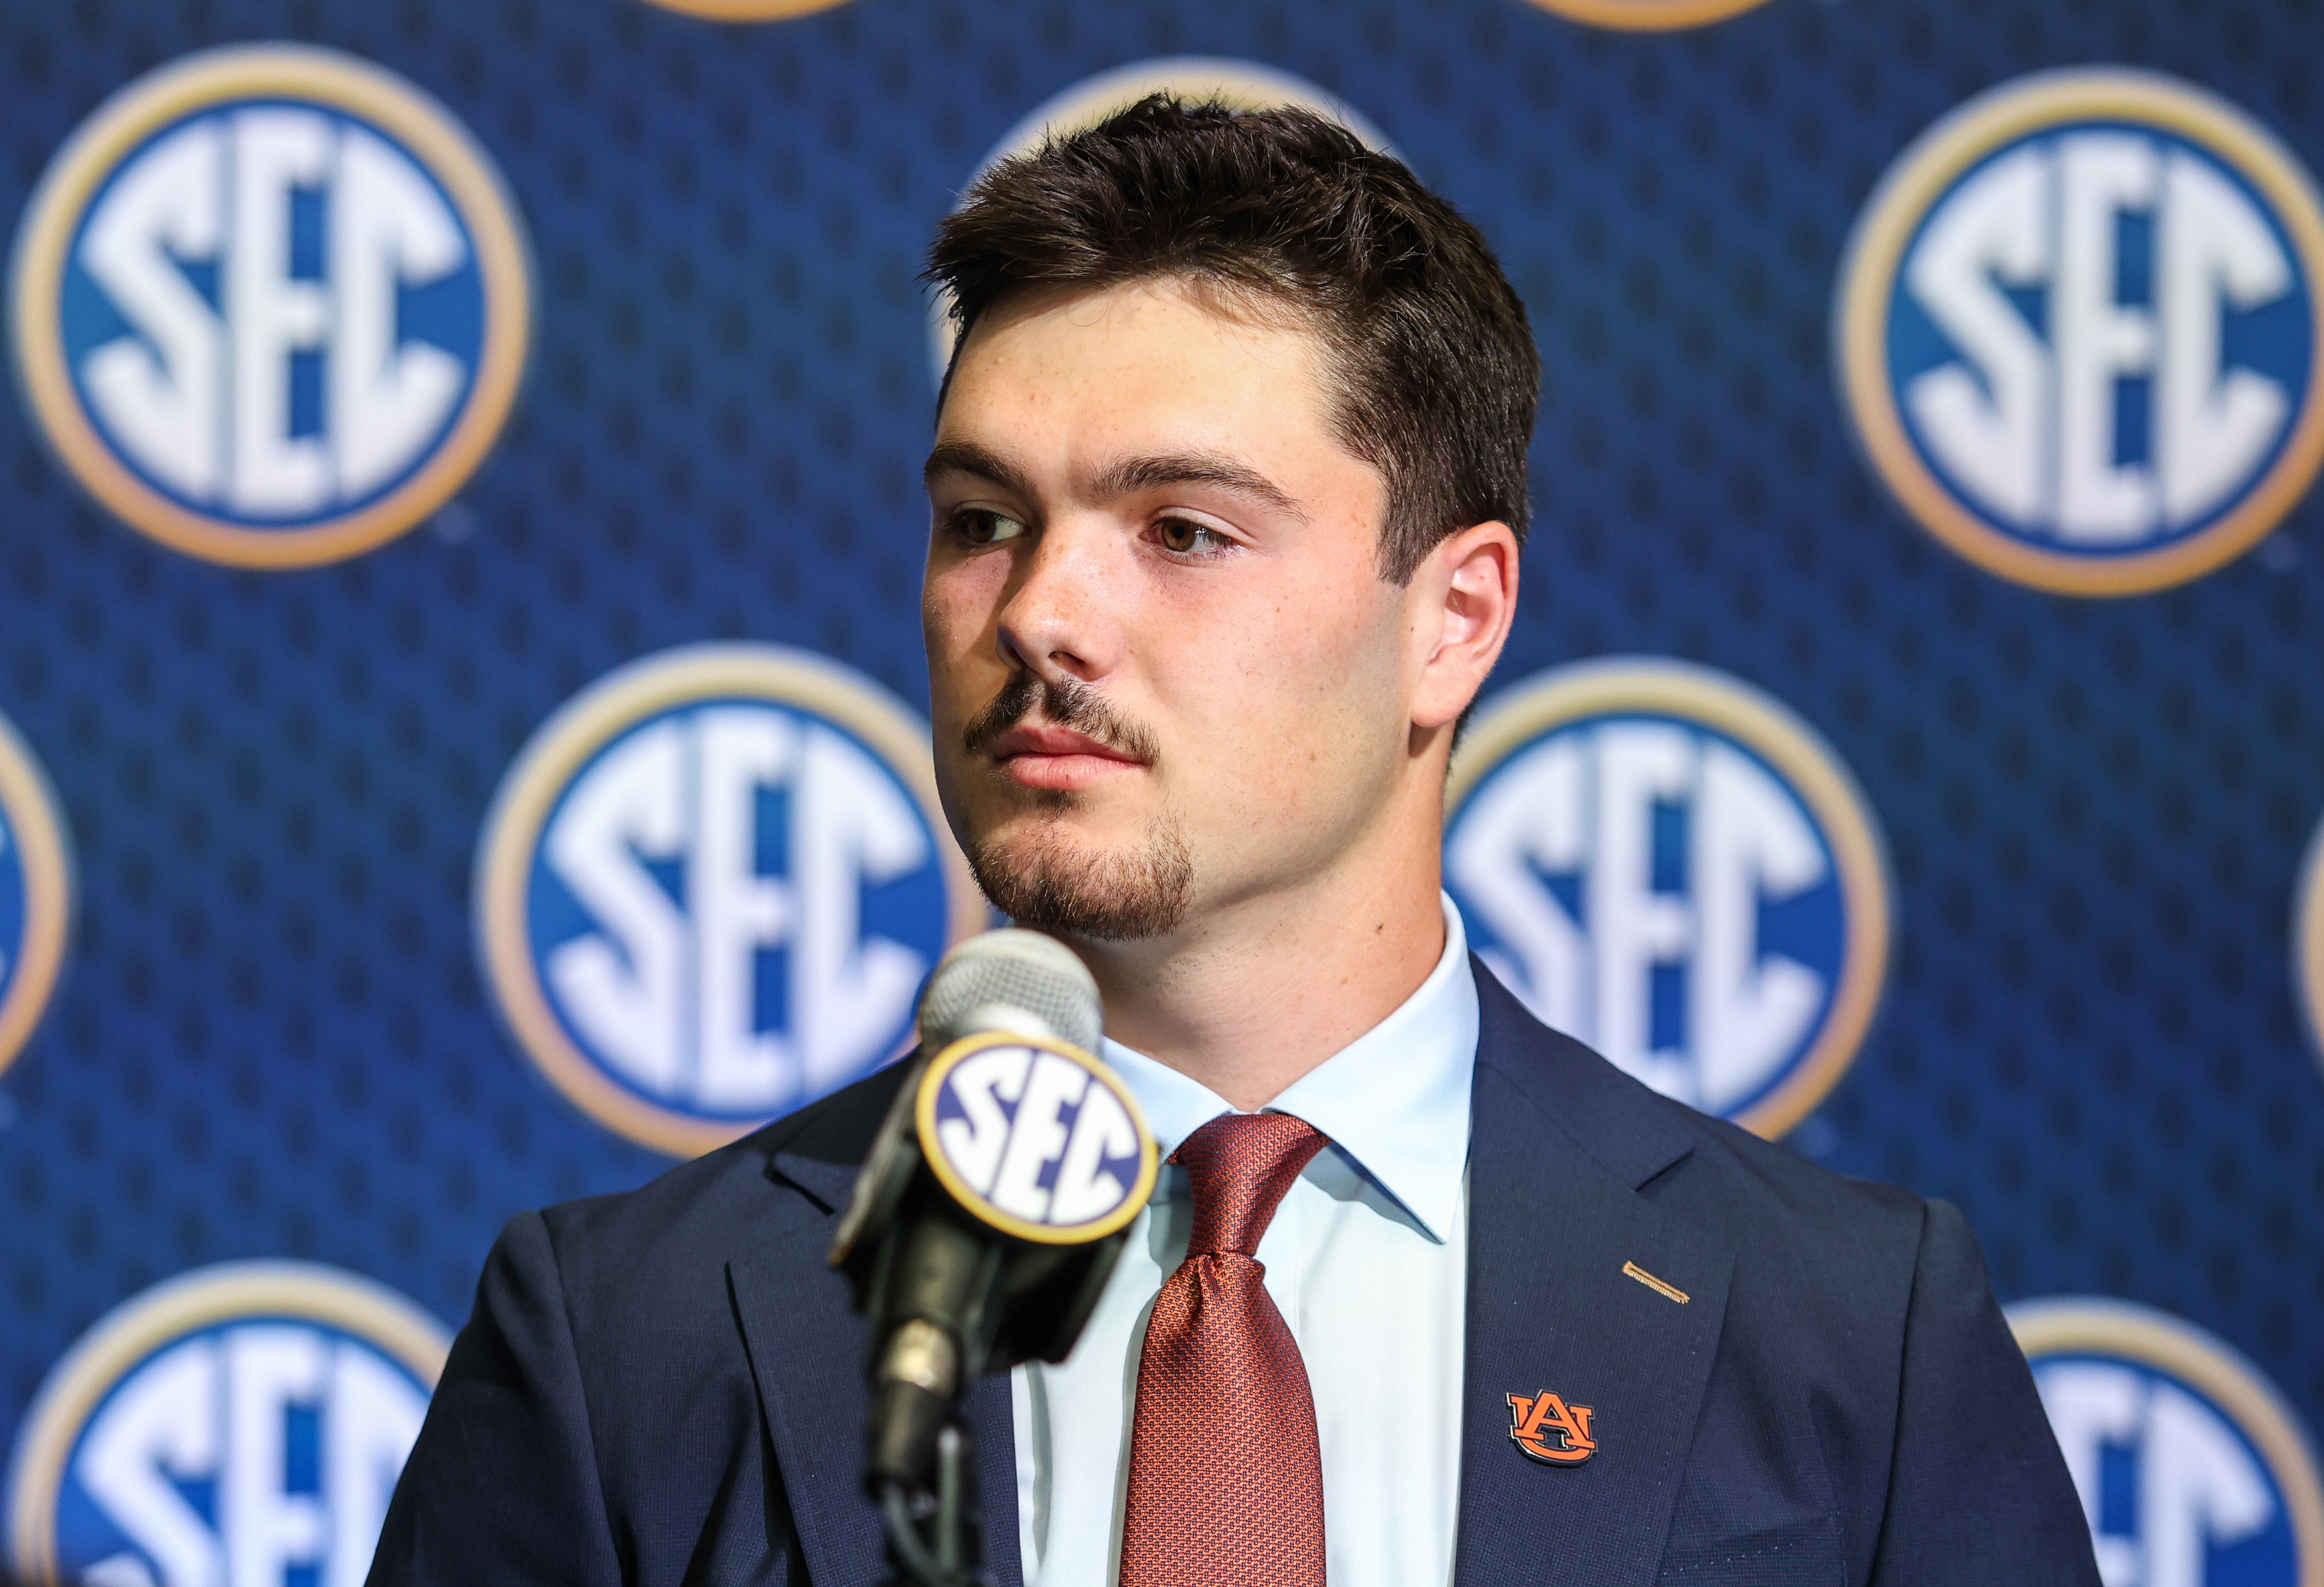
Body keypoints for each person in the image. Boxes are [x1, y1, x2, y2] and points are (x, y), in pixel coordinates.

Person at [369, 97, 2095, 1587]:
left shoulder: (1853, 1336)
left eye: (1183, 530)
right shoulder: (624, 1339)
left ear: (1457, 620)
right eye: (984, 522)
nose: (1041, 611)